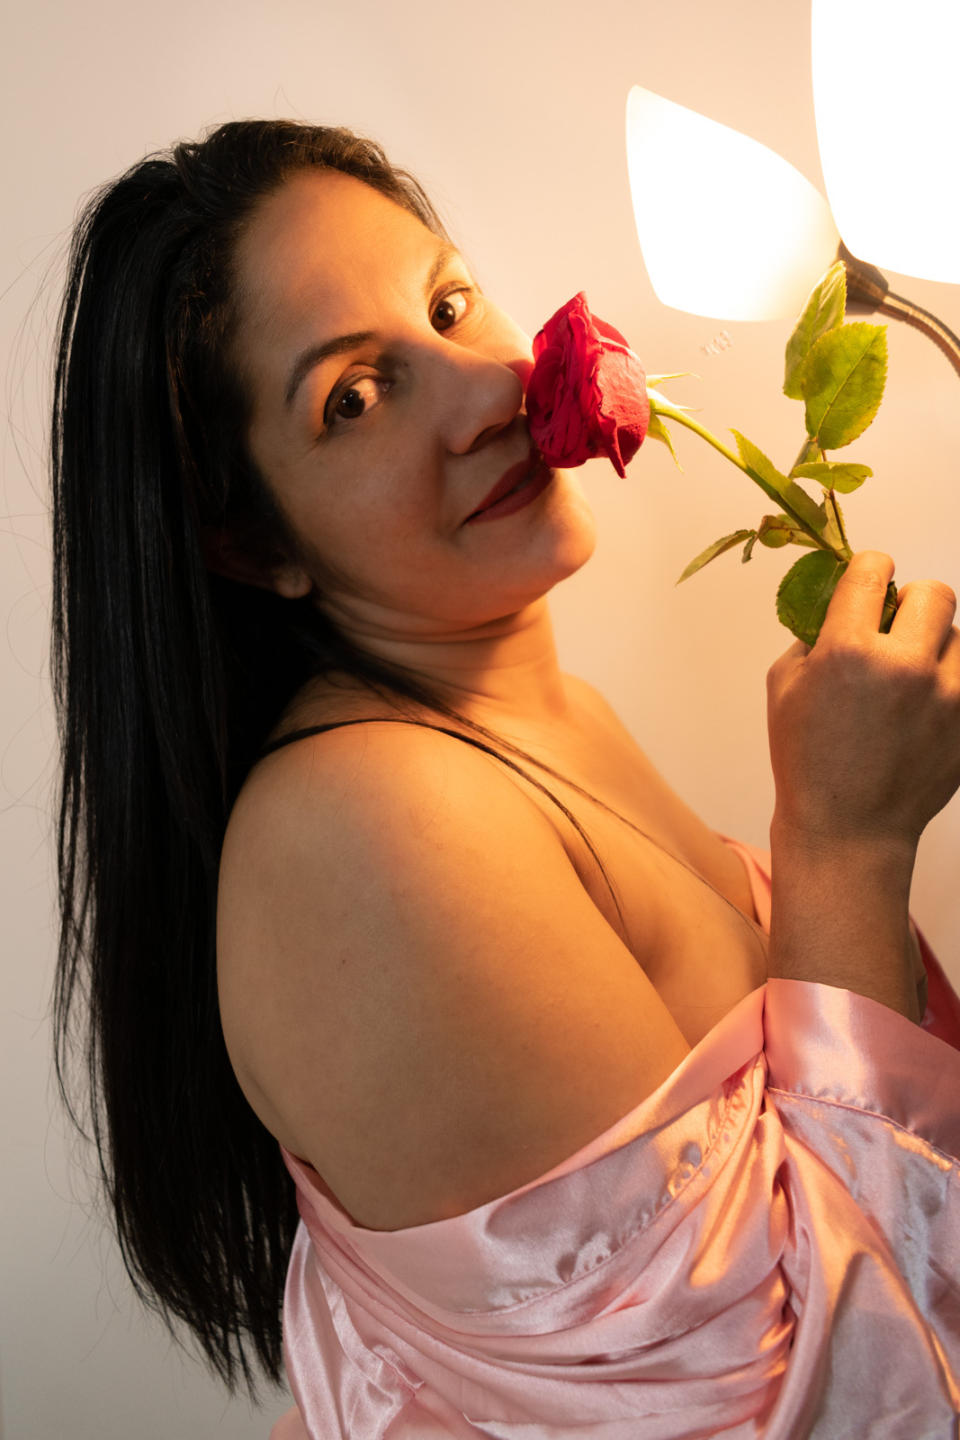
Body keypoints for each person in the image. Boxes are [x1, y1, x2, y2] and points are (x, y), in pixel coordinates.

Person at [49, 118, 960, 1439]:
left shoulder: (542, 719)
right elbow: (806, 1408)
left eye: (447, 305)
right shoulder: (367, 826)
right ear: (249, 543)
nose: (489, 391)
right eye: (354, 397)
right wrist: (846, 841)